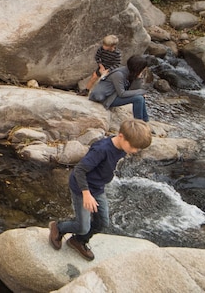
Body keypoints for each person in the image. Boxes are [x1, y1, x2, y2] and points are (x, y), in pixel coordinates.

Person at [48, 119, 153, 261]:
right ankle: (58, 227)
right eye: (134, 147)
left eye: (138, 149)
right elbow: (79, 171)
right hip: (81, 188)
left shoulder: (122, 147)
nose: (135, 151)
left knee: (102, 222)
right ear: (121, 136)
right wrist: (86, 194)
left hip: (97, 188)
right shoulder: (101, 149)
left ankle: (79, 240)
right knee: (82, 226)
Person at [87, 55, 152, 122]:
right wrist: (141, 91)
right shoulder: (118, 74)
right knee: (138, 98)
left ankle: (145, 121)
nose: (143, 70)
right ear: (137, 68)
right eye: (142, 68)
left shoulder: (130, 72)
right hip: (107, 98)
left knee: (140, 97)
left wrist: (138, 78)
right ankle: (139, 123)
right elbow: (122, 93)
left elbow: (133, 90)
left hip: (114, 95)